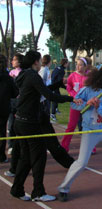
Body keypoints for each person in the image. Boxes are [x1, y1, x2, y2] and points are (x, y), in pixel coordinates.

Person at [10, 51, 80, 202]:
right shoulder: (33, 76)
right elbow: (49, 95)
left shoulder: (23, 75)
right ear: (35, 62)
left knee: (26, 157)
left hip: (20, 121)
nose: (41, 62)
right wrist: (71, 98)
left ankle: (17, 189)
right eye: (40, 60)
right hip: (29, 123)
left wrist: (58, 84)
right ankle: (38, 192)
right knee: (39, 156)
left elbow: (42, 92)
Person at [57, 63, 102, 202]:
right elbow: (73, 104)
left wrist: (99, 107)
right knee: (81, 162)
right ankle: (63, 188)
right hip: (90, 131)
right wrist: (86, 103)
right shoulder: (88, 89)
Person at [61, 57, 97, 154]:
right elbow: (69, 87)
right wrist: (75, 97)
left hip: (87, 104)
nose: (78, 66)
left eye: (80, 64)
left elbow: (93, 88)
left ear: (85, 66)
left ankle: (91, 147)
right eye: (77, 64)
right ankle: (64, 146)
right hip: (75, 104)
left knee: (88, 125)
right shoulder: (72, 76)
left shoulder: (89, 76)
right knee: (71, 125)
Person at [0, 54, 19, 163]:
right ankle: (1, 155)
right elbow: (15, 93)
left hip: (4, 108)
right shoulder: (8, 78)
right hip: (3, 108)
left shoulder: (8, 77)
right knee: (2, 132)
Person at [7, 53, 24, 155]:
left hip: (20, 102)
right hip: (12, 101)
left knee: (20, 124)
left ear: (19, 61)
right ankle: (11, 145)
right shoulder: (11, 72)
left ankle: (21, 145)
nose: (12, 61)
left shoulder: (23, 73)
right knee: (11, 124)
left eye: (14, 59)